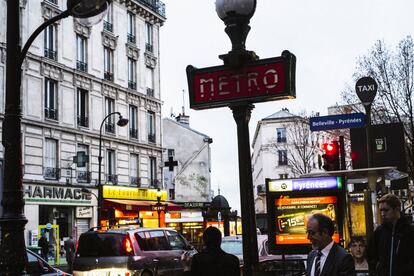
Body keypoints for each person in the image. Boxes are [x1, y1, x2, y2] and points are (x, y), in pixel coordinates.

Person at [367, 193, 414, 276]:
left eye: (386, 210)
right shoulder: (379, 232)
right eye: (381, 210)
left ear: (397, 209)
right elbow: (371, 256)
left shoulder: (409, 231)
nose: (383, 214)